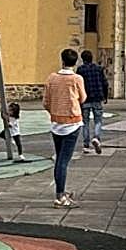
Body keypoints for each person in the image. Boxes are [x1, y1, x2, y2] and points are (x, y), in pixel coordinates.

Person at [44, 48, 88, 207]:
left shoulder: (52, 78)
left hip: (56, 123)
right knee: (63, 161)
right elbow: (83, 98)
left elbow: (46, 101)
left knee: (59, 159)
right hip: (72, 122)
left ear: (62, 61)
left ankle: (60, 191)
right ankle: (60, 196)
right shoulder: (77, 79)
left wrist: (54, 110)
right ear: (75, 63)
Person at [77, 50, 107, 155]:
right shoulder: (99, 68)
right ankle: (96, 138)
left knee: (85, 122)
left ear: (82, 59)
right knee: (98, 120)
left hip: (85, 98)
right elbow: (105, 83)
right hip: (97, 97)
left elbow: (78, 85)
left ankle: (86, 145)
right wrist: (105, 96)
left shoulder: (80, 70)